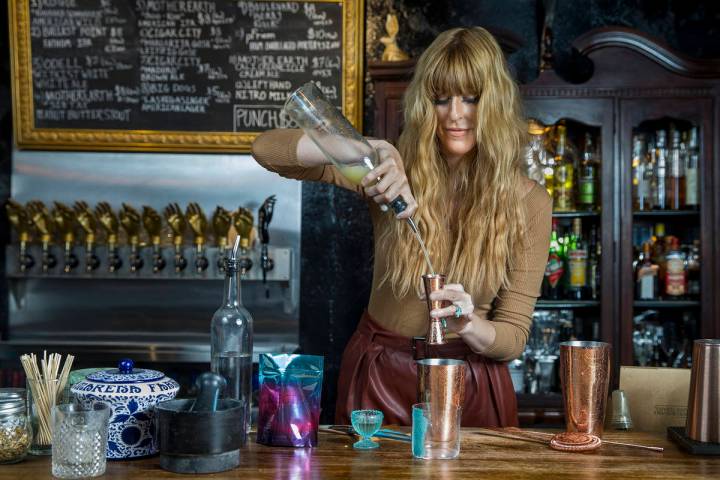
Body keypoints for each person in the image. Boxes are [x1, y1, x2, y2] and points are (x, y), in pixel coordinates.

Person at [252, 27, 551, 427]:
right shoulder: (389, 176)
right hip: (380, 377)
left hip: (472, 383)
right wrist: (369, 149)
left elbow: (513, 336)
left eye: (471, 98)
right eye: (441, 99)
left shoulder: (529, 202)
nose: (455, 114)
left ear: (494, 102)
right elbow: (268, 150)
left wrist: (469, 325)